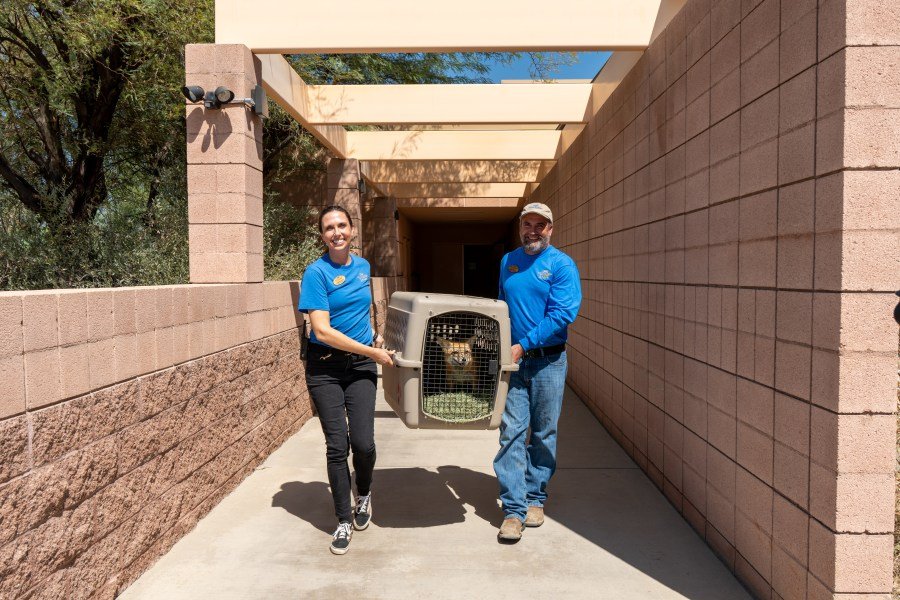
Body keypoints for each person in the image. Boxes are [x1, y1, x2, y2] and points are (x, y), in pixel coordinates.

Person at [298, 205, 395, 555]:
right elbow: (322, 331)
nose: (336, 232)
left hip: (360, 367)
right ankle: (342, 520)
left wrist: (374, 334)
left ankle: (364, 493)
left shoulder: (364, 267)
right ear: (322, 235)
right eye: (329, 228)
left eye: (342, 225)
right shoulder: (316, 273)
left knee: (364, 444)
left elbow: (359, 310)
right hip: (325, 368)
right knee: (338, 446)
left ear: (352, 230)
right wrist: (373, 353)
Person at [494, 202, 582, 542]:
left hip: (548, 361)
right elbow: (501, 305)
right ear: (520, 227)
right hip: (513, 361)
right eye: (527, 224)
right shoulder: (509, 261)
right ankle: (513, 510)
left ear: (551, 228)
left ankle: (535, 498)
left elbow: (563, 314)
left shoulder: (561, 265)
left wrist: (525, 343)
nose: (533, 230)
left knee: (543, 432)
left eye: (540, 225)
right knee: (511, 431)